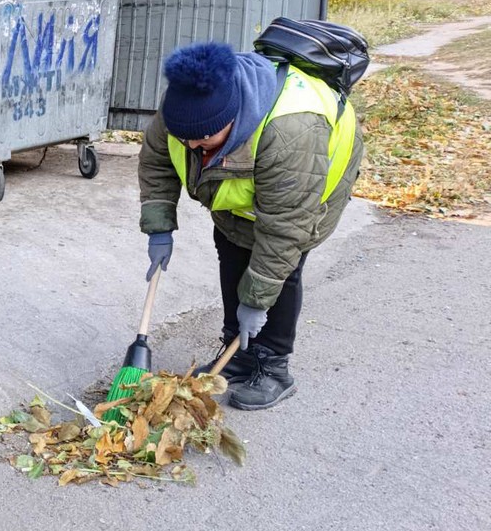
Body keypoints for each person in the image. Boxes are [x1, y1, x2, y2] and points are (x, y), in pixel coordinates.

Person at [138, 41, 363, 410]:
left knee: (280, 272)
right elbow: (157, 162)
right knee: (232, 249)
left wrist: (257, 302)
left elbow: (285, 231)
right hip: (241, 188)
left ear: (232, 118)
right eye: (185, 138)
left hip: (308, 188)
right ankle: (238, 351)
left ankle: (273, 365)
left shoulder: (290, 131)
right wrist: (159, 225)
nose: (192, 145)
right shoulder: (182, 110)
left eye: (204, 138)